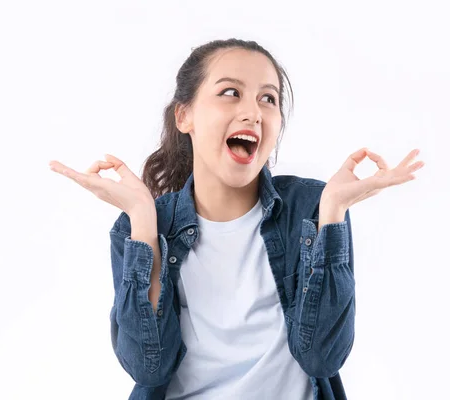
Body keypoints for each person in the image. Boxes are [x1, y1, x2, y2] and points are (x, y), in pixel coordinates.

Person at [49, 38, 424, 400]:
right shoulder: (142, 227)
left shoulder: (312, 208)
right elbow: (149, 367)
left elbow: (322, 357)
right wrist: (143, 219)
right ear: (185, 115)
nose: (253, 112)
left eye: (268, 99)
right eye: (231, 92)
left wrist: (333, 211)